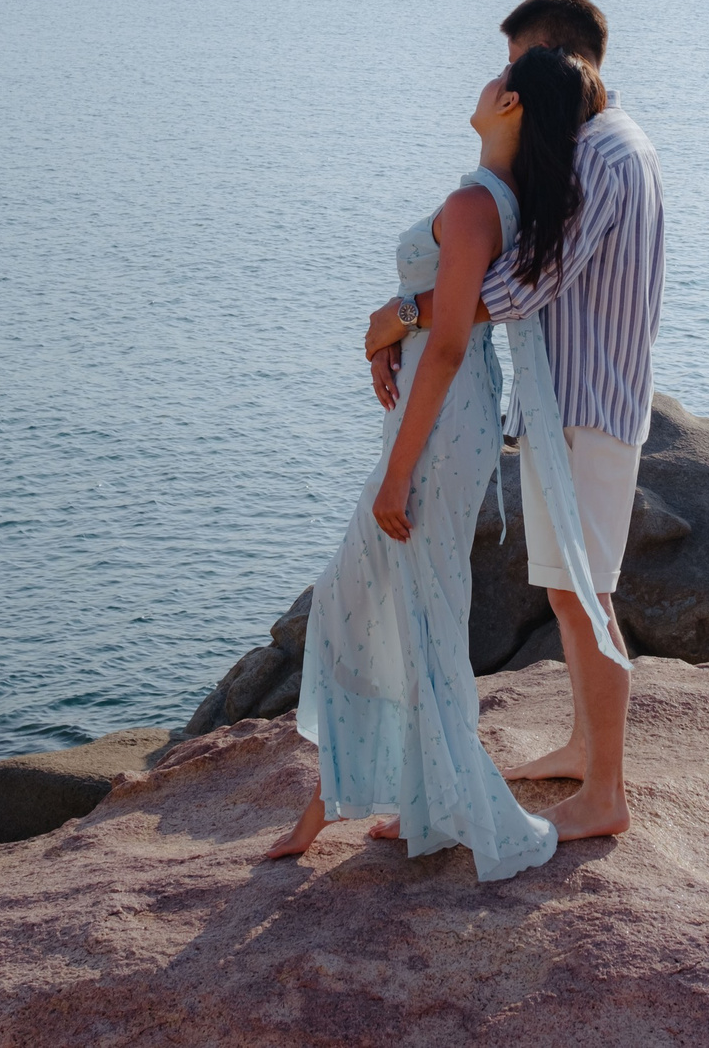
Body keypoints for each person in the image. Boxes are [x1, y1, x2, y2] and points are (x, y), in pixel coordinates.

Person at [264, 45, 624, 881]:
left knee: (370, 599)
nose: (485, 79)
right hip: (446, 418)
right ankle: (407, 800)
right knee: (409, 605)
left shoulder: (473, 204)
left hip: (439, 425)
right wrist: (391, 331)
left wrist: (396, 468)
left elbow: (454, 338)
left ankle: (354, 801)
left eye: (502, 78)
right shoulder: (498, 201)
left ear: (514, 109)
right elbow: (440, 324)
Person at [365, 0, 665, 843]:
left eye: (515, 64)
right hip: (571, 402)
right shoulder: (600, 148)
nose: (504, 81)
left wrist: (412, 313)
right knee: (571, 590)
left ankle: (604, 792)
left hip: (585, 405)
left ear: (554, 63)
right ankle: (583, 745)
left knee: (583, 594)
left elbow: (534, 280)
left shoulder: (602, 156)